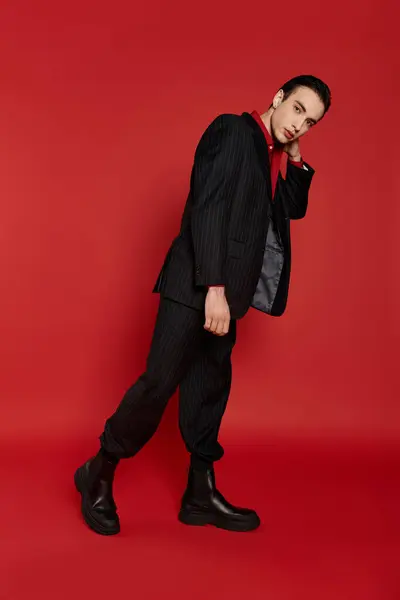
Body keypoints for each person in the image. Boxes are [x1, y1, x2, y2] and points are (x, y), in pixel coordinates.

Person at [74, 74, 331, 535]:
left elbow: (290, 211)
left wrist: (294, 158)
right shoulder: (232, 132)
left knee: (209, 388)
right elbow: (207, 208)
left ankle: (199, 492)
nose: (299, 124)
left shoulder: (271, 155)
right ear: (278, 98)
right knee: (159, 384)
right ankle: (99, 468)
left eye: (309, 121)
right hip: (196, 287)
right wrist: (212, 286)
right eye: (297, 110)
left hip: (227, 297)